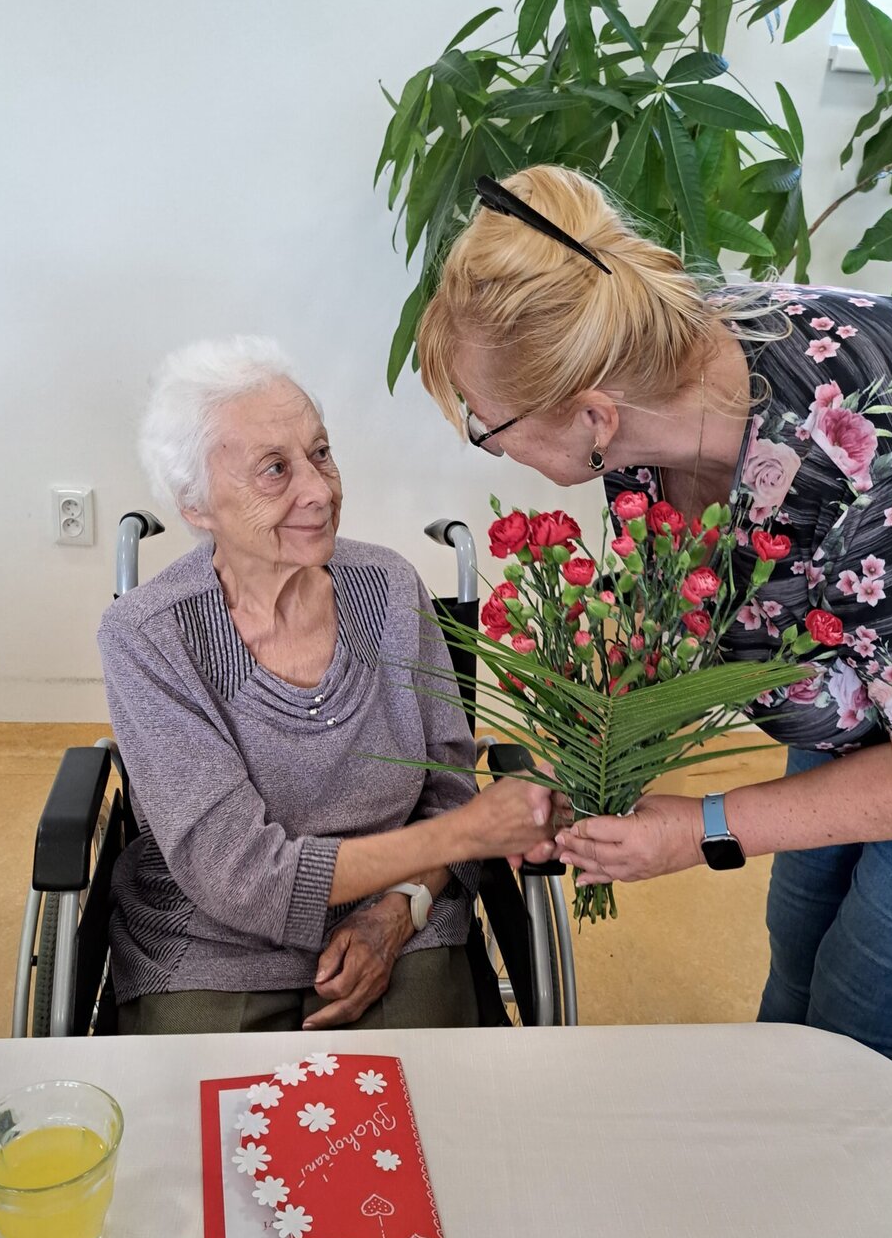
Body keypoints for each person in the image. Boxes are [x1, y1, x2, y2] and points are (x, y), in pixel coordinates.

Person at [417, 163, 892, 1084]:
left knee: (858, 1016)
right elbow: (692, 605)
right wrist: (589, 760)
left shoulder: (878, 466)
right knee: (798, 949)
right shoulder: (645, 375)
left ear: (592, 415)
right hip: (872, 698)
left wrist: (702, 829)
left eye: (486, 423)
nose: (487, 441)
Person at [98, 335, 553, 1034]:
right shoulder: (149, 635)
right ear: (196, 503)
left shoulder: (390, 588)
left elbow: (447, 790)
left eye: (320, 453)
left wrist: (402, 909)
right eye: (274, 470)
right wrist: (466, 835)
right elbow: (238, 876)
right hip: (212, 946)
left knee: (429, 1092)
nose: (320, 490)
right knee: (209, 1100)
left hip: (400, 919)